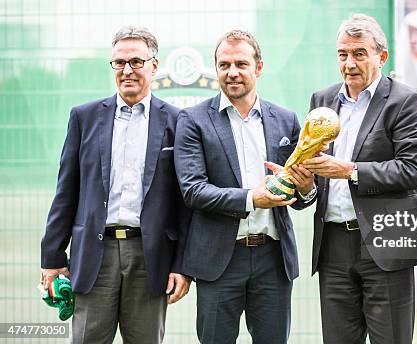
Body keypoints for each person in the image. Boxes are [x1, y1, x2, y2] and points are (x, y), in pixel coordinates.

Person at [40, 26, 191, 344]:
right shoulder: (84, 117)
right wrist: (52, 257)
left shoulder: (179, 122)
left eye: (136, 61)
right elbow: (66, 192)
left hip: (151, 258)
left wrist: (182, 266)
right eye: (119, 62)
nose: (127, 70)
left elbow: (184, 203)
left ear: (154, 65)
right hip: (94, 255)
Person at [298, 13, 417, 344]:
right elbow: (318, 175)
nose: (349, 63)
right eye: (342, 54)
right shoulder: (322, 100)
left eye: (359, 53)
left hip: (386, 242)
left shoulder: (405, 101)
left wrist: (350, 170)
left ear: (381, 57)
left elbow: (412, 170)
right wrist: (305, 188)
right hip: (332, 246)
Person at [174, 30, 314, 344]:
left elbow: (300, 195)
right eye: (224, 65)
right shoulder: (193, 120)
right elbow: (193, 190)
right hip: (219, 261)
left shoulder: (285, 119)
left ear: (258, 68)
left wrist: (306, 189)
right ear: (216, 69)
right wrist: (254, 198)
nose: (232, 72)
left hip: (273, 260)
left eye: (241, 63)